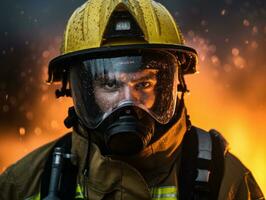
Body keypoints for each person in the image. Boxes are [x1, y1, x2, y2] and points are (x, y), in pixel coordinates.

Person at [0, 0, 264, 199]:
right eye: (109, 84)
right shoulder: (23, 184)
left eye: (144, 84)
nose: (128, 102)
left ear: (174, 86)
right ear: (78, 92)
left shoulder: (225, 180)